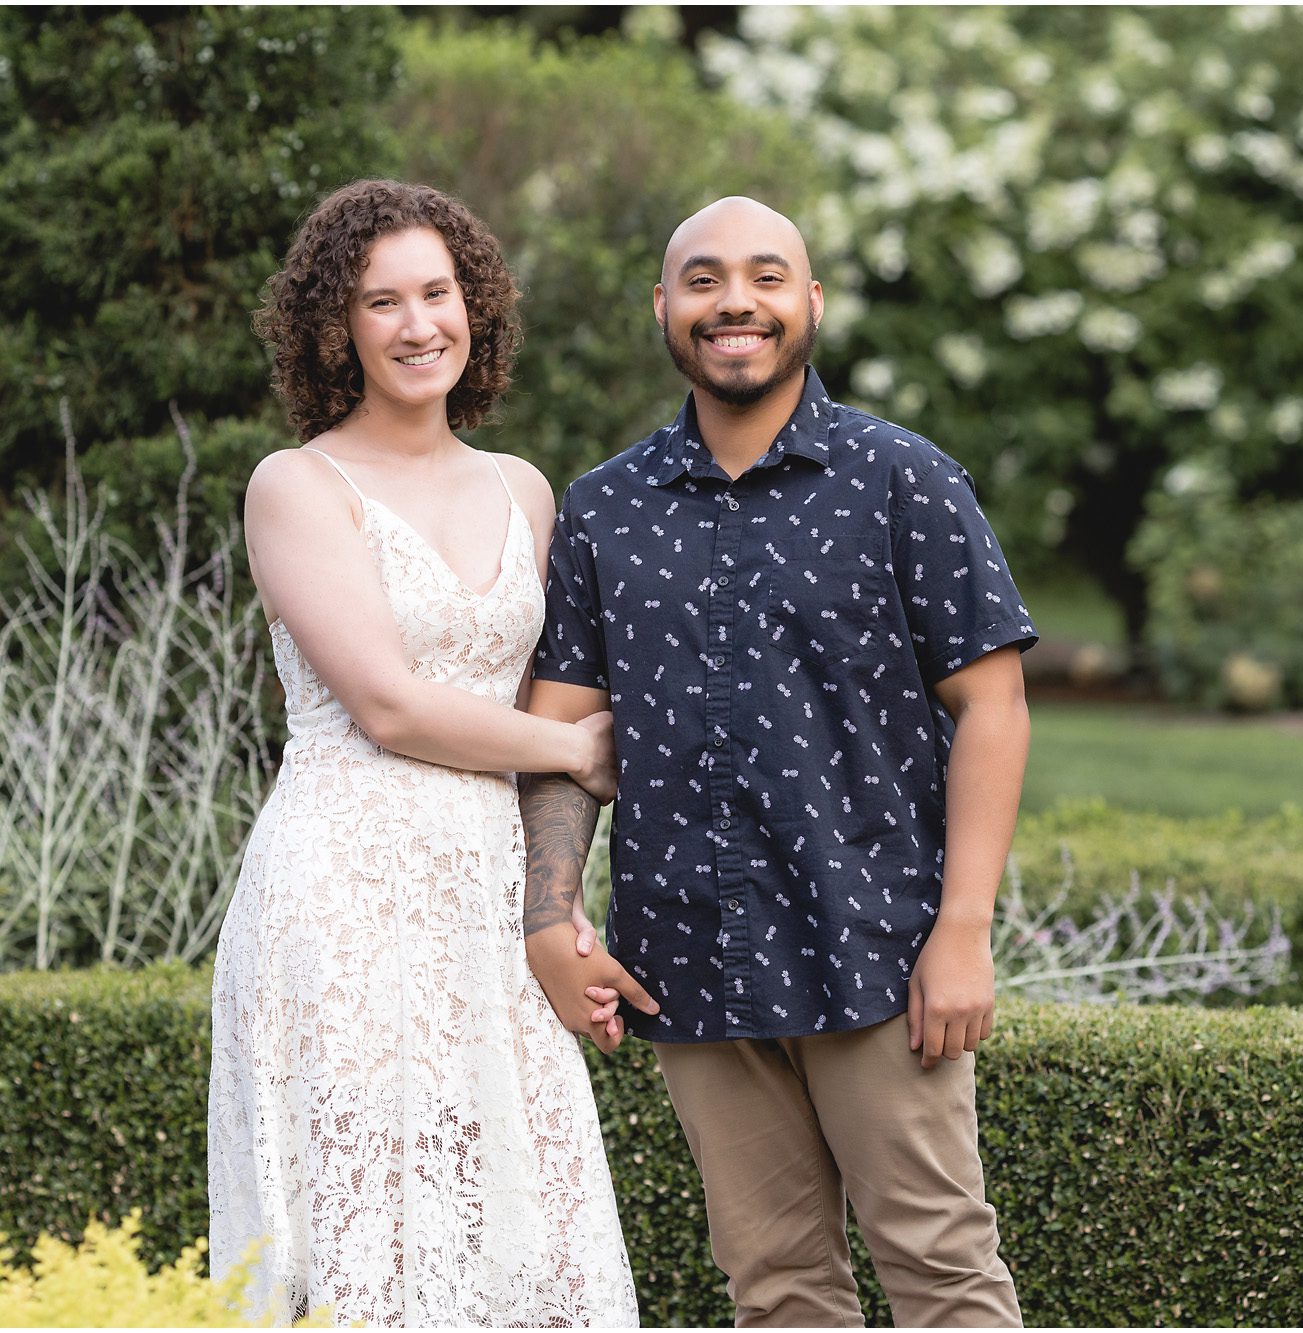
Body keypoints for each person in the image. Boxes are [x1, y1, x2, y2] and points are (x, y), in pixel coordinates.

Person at [520, 197, 1034, 1327]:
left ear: (809, 303)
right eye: (702, 280)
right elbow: (559, 738)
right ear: (664, 309)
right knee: (777, 1289)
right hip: (688, 957)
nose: (733, 302)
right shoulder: (604, 509)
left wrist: (961, 928)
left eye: (764, 276)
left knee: (942, 1273)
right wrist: (548, 915)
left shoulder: (903, 479)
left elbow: (992, 706)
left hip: (875, 949)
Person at [207, 179, 641, 1328]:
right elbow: (389, 707)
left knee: (512, 1200)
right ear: (334, 329)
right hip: (341, 891)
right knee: (359, 1210)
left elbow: (551, 683)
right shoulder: (296, 486)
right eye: (380, 301)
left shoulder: (524, 490)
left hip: (488, 887)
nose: (416, 325)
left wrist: (561, 892)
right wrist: (574, 745)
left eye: (437, 293)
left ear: (475, 306)